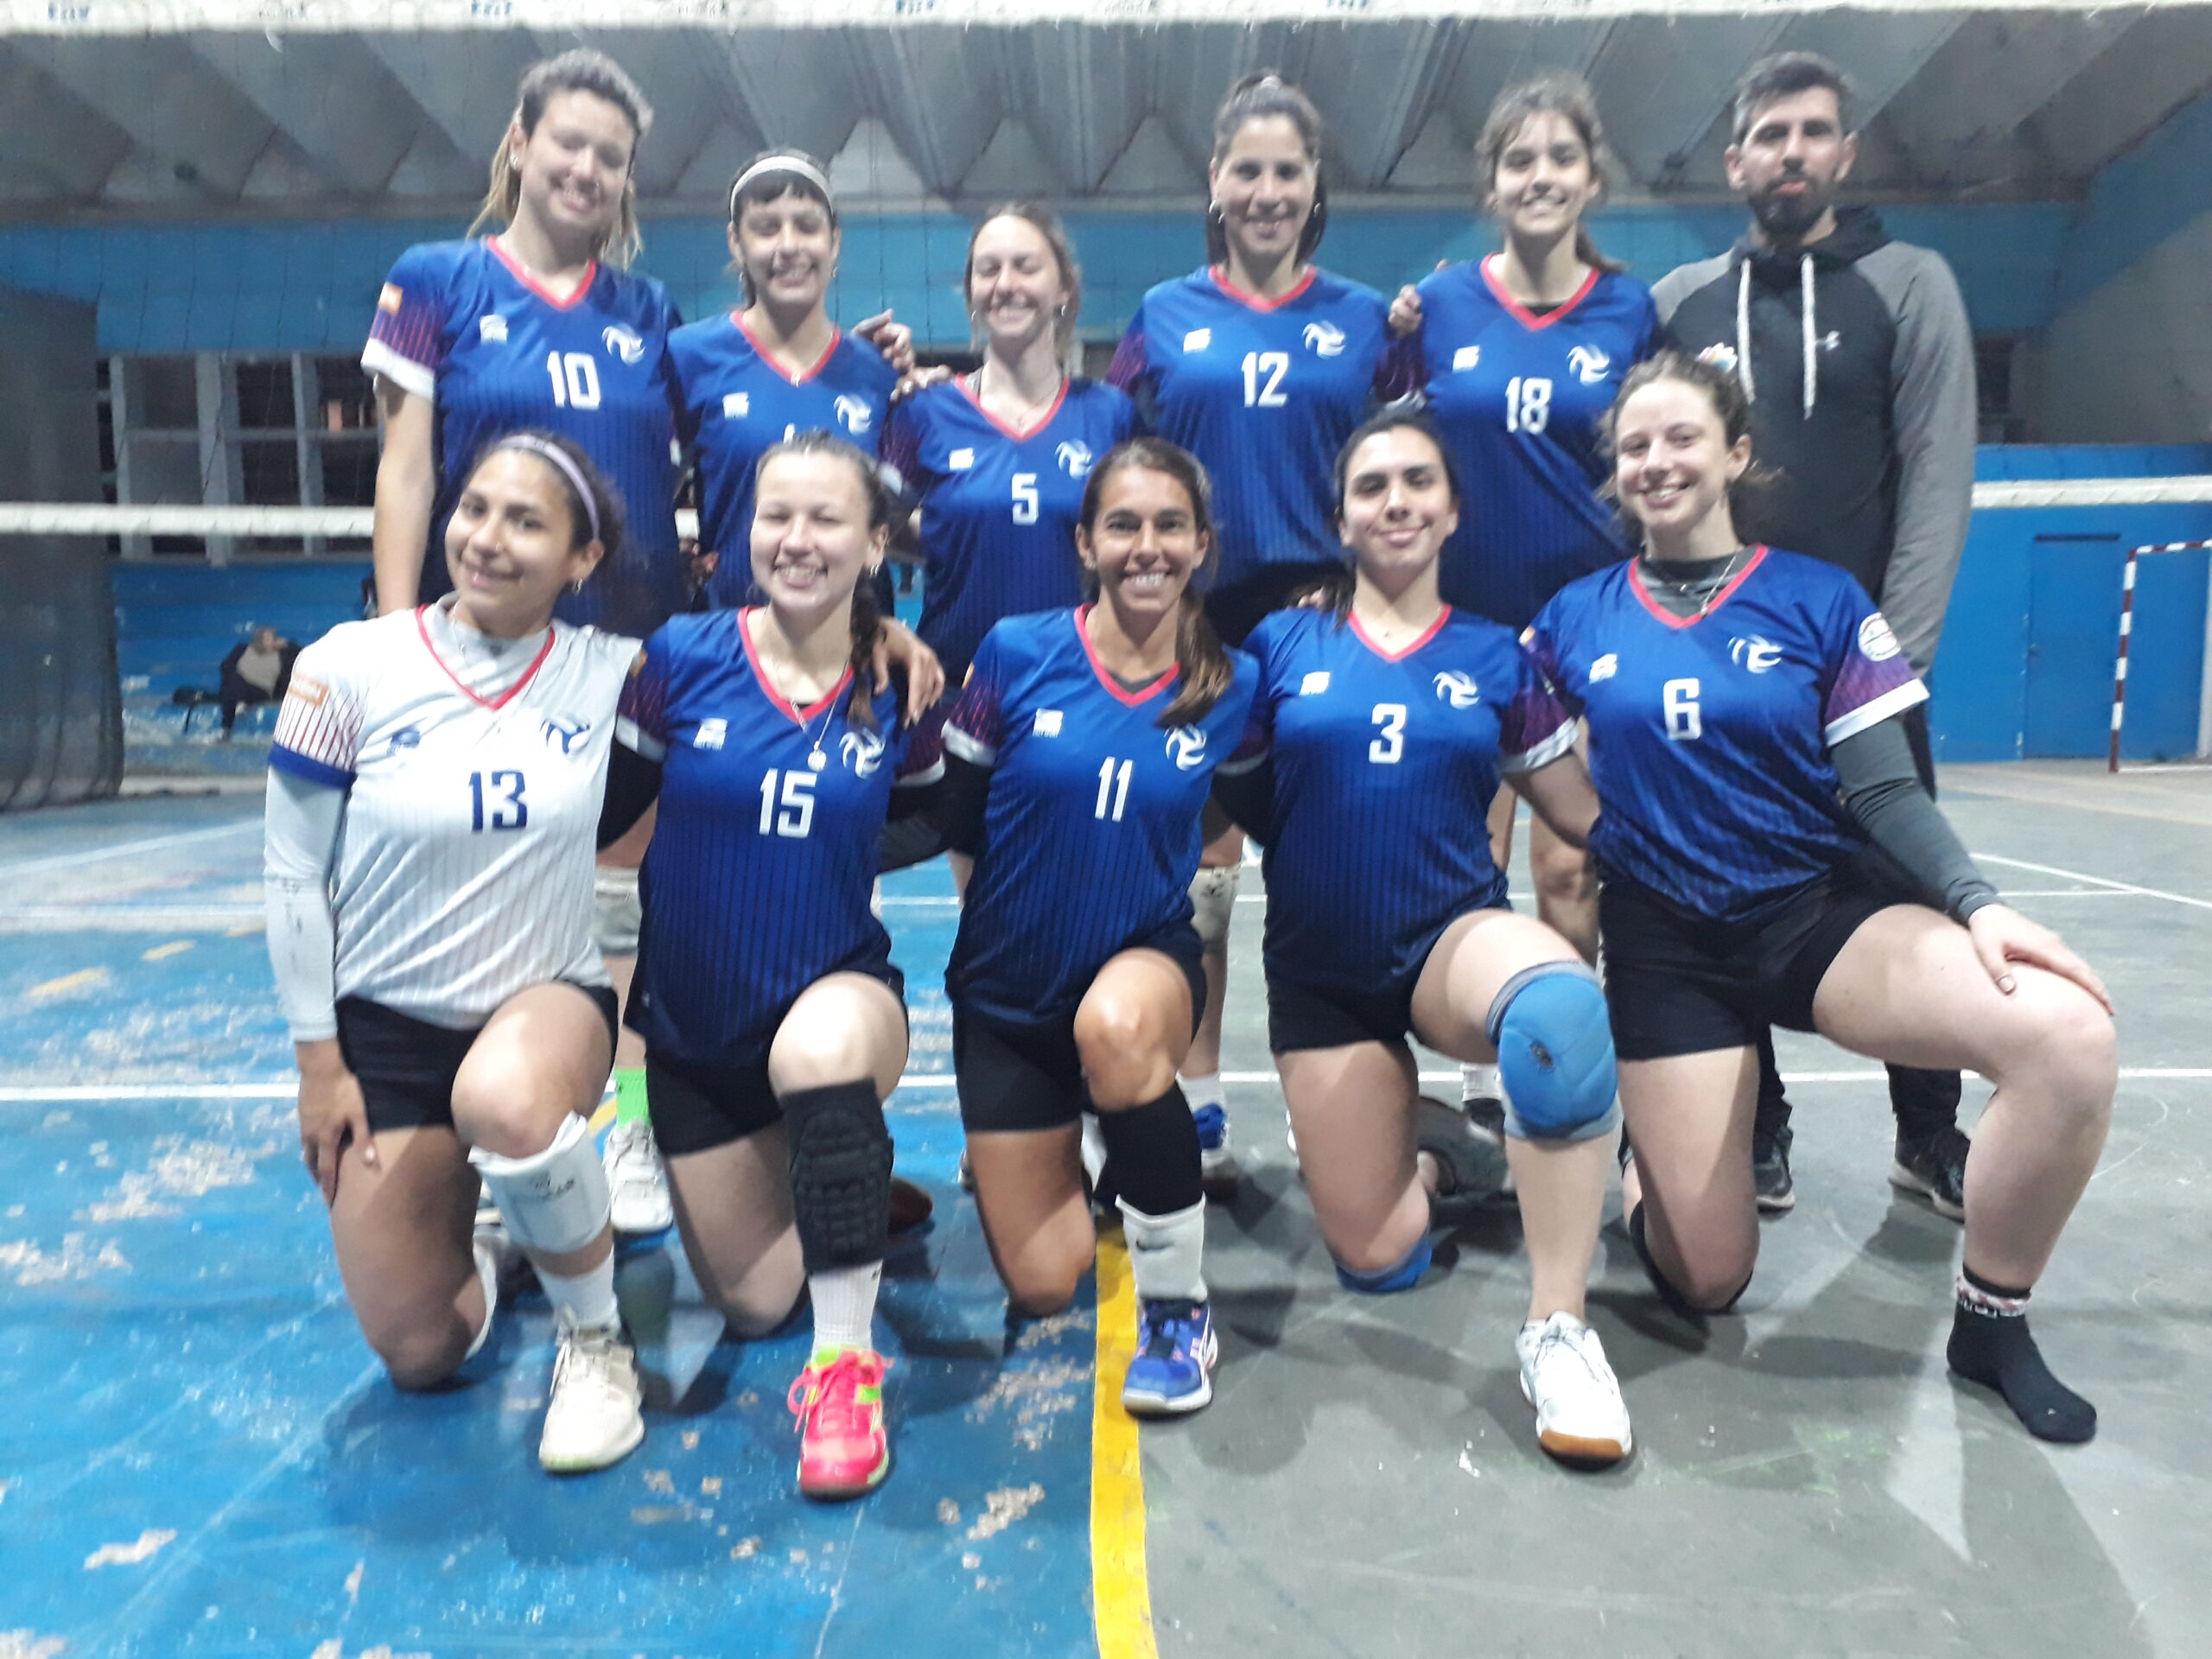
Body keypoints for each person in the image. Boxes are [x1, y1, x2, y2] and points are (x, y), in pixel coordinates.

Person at [1526, 353, 2114, 1444]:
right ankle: (1657, 1157)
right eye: (1635, 446)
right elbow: (1512, 744)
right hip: (1666, 949)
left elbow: (1883, 788)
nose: (1656, 461)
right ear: (1614, 472)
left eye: (1681, 437)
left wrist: (1976, 903)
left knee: (2068, 1040)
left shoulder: (1819, 598)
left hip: (1815, 916)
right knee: (1706, 1280)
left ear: (1735, 454)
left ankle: (1990, 1324)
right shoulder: (1571, 618)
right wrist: (1599, 838)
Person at [1214, 412, 1631, 1464]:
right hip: (1320, 974)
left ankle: (1558, 1328)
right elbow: (1230, 791)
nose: (1395, 501)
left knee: (1559, 1017)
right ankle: (1443, 1154)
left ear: (1452, 511)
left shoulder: (1497, 656)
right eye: (1371, 487)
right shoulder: (1279, 646)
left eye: (1417, 482)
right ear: (1339, 520)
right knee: (1379, 1258)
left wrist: (1721, 847)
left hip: (1451, 945)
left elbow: (1582, 813)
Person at [264, 432, 646, 1474]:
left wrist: (879, 628)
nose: (486, 538)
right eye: (474, 508)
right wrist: (319, 1065)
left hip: (544, 1009)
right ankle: (509, 1227)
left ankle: (596, 1345)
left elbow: (773, 654)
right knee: (420, 1351)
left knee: (507, 1097)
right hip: (386, 1031)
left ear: (582, 559)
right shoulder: (348, 667)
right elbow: (292, 874)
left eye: (526, 522)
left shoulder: (616, 674)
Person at [359, 48, 689, 1240]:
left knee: (628, 912)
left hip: (624, 658)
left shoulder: (648, 313)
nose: (587, 169)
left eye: (612, 156)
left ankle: (626, 1122)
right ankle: (517, 1141)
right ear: (519, 144)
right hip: (478, 658)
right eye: (569, 144)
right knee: (493, 903)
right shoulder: (437, 281)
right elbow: (406, 470)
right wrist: (396, 642)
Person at [1649, 51, 1980, 1219]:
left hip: (1858, 677)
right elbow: (1658, 467)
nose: (1791, 152)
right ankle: (1762, 1127)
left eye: (1812, 132)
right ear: (1735, 160)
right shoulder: (1681, 301)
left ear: (1844, 151)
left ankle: (1927, 1134)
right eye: (1769, 135)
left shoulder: (1908, 284)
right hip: (1723, 682)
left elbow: (1936, 481)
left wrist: (1894, 668)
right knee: (1721, 891)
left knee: (1908, 894)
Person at [598, 433, 941, 1501]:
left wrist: (828, 851)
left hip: (838, 999)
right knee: (752, 1304)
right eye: (775, 515)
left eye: (826, 518)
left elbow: (939, 818)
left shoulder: (898, 684)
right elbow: (605, 822)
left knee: (821, 1056)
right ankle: (843, 1175)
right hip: (698, 1038)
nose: (796, 539)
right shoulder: (679, 659)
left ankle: (845, 1369)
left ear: (874, 543)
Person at [1108, 74, 1397, 1188]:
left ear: (1314, 185)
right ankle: (1201, 1097)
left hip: (1326, 620)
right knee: (1204, 882)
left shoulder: (1370, 319)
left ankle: (1356, 1090)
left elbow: (1404, 470)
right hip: (1199, 621)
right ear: (1215, 185)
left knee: (1329, 868)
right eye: (1247, 171)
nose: (1267, 191)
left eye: (1287, 172)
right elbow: (1124, 461)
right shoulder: (1161, 317)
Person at [936, 438, 1259, 1415]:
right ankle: (1097, 1129)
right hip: (1008, 993)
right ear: (1085, 543)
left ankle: (1177, 1309)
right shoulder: (1016, 651)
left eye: (1169, 525)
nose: (1146, 546)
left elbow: (1248, 813)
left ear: (1201, 544)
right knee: (1045, 1282)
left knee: (1116, 1032)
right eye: (1122, 525)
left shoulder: (1233, 684)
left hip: (1141, 964)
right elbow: (960, 819)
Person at [1381, 76, 1659, 1134]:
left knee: (1571, 862)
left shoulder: (1632, 311)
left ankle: (1565, 1066)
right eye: (1519, 159)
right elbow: (1392, 437)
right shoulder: (1439, 303)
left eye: (1560, 157)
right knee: (1468, 858)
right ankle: (1483, 1072)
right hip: (1469, 628)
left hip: (1588, 627)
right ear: (1491, 184)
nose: (1540, 176)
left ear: (1592, 177)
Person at [882, 204, 1136, 695]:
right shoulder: (925, 411)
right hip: (951, 688)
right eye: (989, 269)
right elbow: (872, 525)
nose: (1005, 284)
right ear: (971, 294)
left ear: (1063, 288)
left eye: (1026, 266)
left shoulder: (1112, 415)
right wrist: (949, 533)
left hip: (1077, 689)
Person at [671, 150, 916, 611]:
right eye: (767, 228)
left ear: (834, 240)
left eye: (807, 226)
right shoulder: (690, 357)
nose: (788, 245)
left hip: (856, 634)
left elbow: (895, 521)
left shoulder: (880, 373)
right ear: (736, 243)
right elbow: (648, 487)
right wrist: (671, 559)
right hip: (733, 631)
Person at [218, 625, 297, 735]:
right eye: (267, 639)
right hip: (239, 684)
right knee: (234, 681)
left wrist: (288, 644)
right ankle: (238, 707)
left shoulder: (283, 653)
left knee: (233, 690)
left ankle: (238, 708)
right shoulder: (242, 649)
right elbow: (226, 667)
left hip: (261, 689)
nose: (271, 642)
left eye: (272, 639)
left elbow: (302, 654)